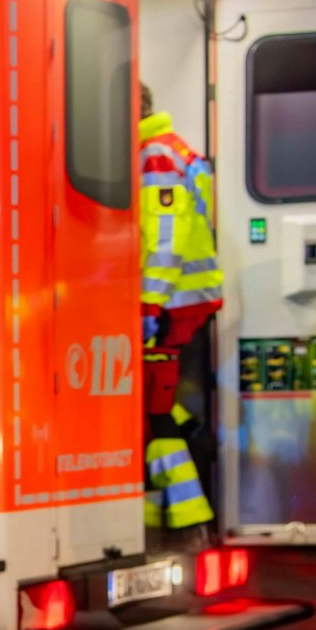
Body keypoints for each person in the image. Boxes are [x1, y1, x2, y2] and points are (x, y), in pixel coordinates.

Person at [138, 85, 219, 533]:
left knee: (154, 412)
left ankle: (188, 517)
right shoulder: (176, 149)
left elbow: (164, 236)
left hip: (172, 302)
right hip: (182, 300)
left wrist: (151, 300)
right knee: (159, 408)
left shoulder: (155, 154)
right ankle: (154, 511)